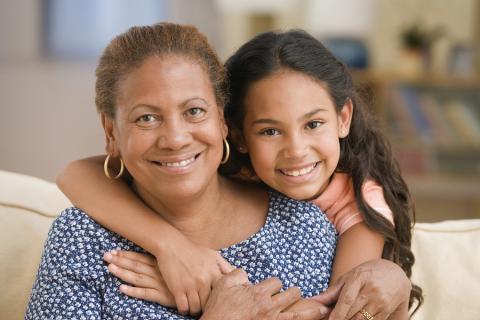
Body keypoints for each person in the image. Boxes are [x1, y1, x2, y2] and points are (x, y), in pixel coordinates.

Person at [54, 25, 418, 319]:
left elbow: (346, 310)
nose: (177, 138)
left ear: (221, 122)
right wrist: (172, 247)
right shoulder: (81, 240)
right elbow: (73, 174)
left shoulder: (316, 223)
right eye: (146, 118)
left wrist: (394, 282)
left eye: (194, 111)